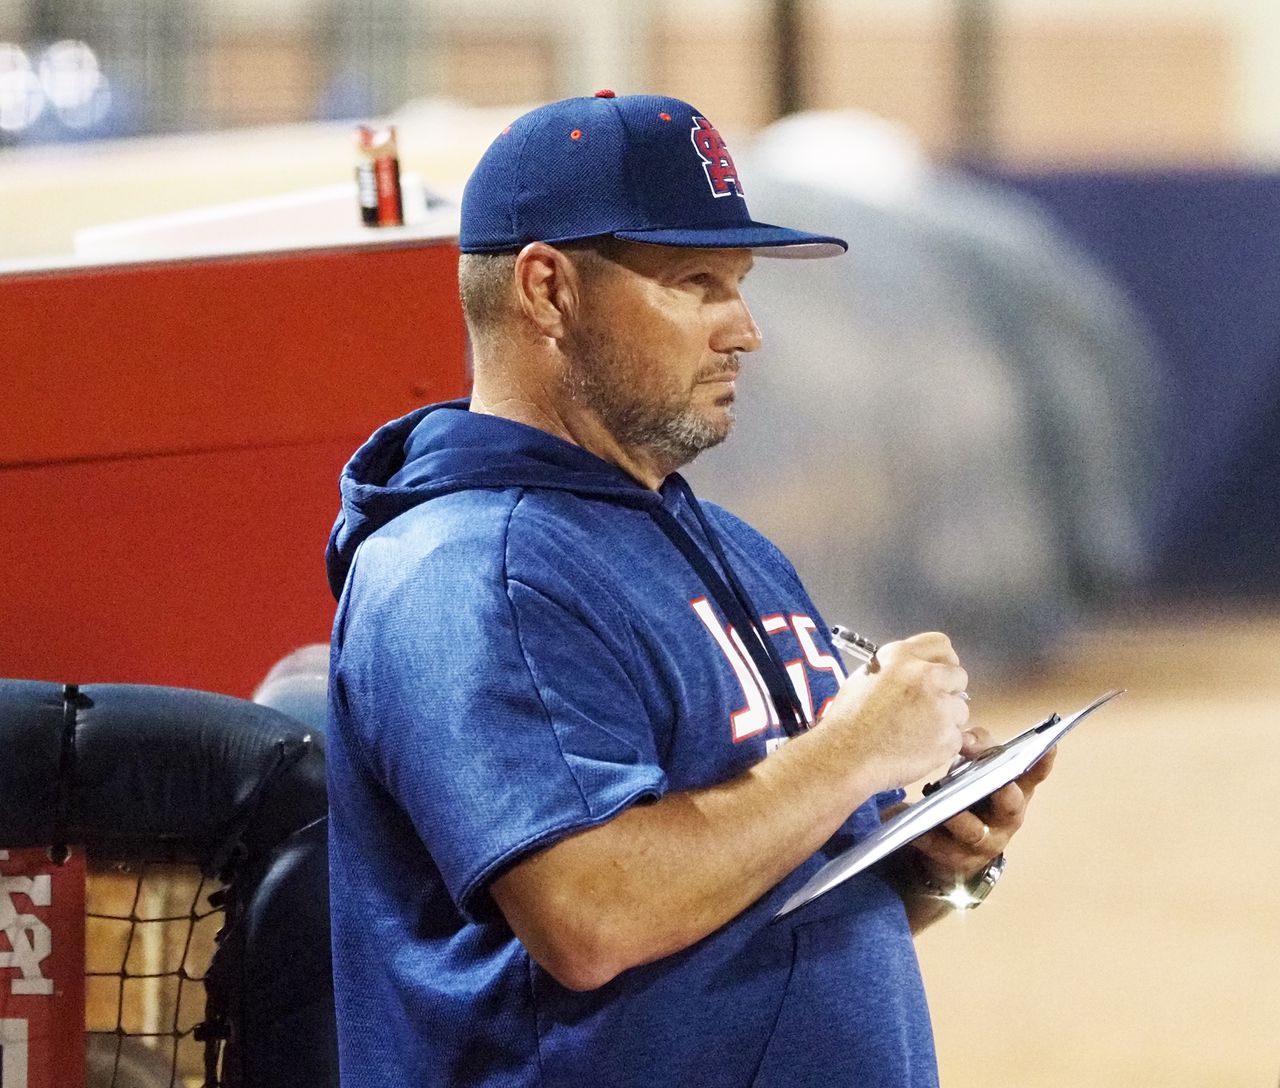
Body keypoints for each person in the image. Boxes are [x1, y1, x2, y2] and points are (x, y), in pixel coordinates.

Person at [324, 91, 1055, 1088]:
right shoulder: (470, 569)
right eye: (696, 281)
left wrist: (926, 863)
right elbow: (590, 913)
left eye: (739, 283)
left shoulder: (723, 545)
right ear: (546, 290)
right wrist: (853, 751)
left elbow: (759, 905)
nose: (743, 330)